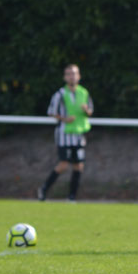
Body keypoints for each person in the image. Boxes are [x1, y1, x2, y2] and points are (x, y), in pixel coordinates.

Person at [38, 64, 93, 201]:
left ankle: (72, 197)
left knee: (78, 165)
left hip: (79, 134)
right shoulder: (60, 94)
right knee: (63, 164)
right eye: (69, 74)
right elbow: (51, 112)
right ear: (65, 77)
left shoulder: (84, 93)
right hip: (64, 134)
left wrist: (87, 110)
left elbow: (90, 111)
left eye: (74, 73)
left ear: (79, 76)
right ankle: (43, 189)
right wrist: (64, 119)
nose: (72, 76)